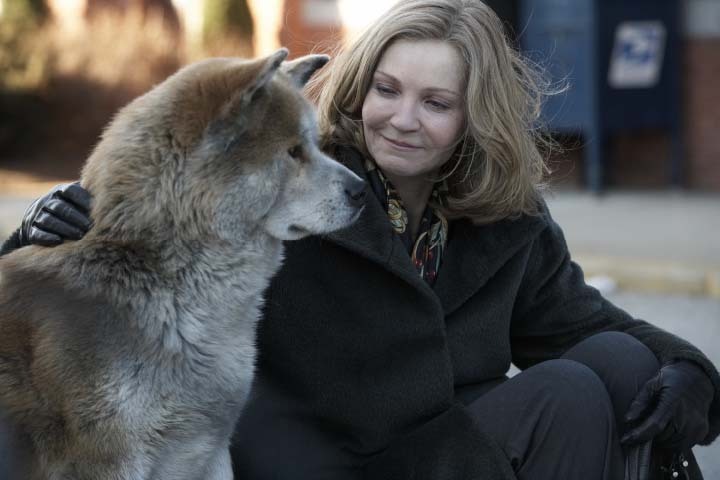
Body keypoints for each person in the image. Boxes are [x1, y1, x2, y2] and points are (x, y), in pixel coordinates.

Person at [1, 1, 718, 478]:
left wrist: (690, 372)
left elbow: (589, 321)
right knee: (565, 394)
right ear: (360, 87)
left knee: (623, 363)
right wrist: (36, 236)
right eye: (387, 89)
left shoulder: (507, 220)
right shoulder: (293, 187)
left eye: (436, 103)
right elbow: (134, 262)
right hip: (328, 464)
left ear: (477, 119)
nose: (402, 118)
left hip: (444, 453)